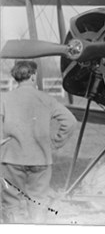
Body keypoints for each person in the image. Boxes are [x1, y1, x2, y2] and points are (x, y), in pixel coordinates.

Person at [0, 60, 77, 223]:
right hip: (41, 159)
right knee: (38, 202)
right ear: (34, 76)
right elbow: (70, 121)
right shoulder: (46, 99)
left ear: (15, 77)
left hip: (11, 159)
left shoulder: (4, 98)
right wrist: (55, 143)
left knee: (11, 203)